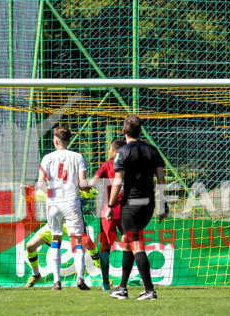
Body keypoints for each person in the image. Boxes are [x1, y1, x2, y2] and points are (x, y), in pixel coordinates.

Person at [107, 115, 168, 300]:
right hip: (148, 205)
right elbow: (162, 180)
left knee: (136, 245)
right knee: (128, 242)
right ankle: (122, 288)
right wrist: (164, 205)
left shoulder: (122, 152)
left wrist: (110, 205)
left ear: (123, 131)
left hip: (131, 205)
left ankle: (150, 290)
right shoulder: (152, 150)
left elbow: (117, 182)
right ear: (141, 131)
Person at [35, 126, 94, 291]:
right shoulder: (77, 157)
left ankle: (56, 282)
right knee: (77, 240)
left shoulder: (47, 158)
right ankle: (80, 279)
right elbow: (82, 183)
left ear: (55, 141)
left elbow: (40, 183)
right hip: (71, 202)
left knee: (56, 239)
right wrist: (88, 188)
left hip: (53, 204)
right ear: (68, 141)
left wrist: (51, 194)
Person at [90, 139, 127, 290]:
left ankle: (106, 282)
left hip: (108, 211)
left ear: (114, 151)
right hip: (126, 210)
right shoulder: (130, 165)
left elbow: (92, 183)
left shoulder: (107, 164)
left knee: (105, 247)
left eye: (110, 149)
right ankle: (127, 281)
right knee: (131, 244)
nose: (108, 151)